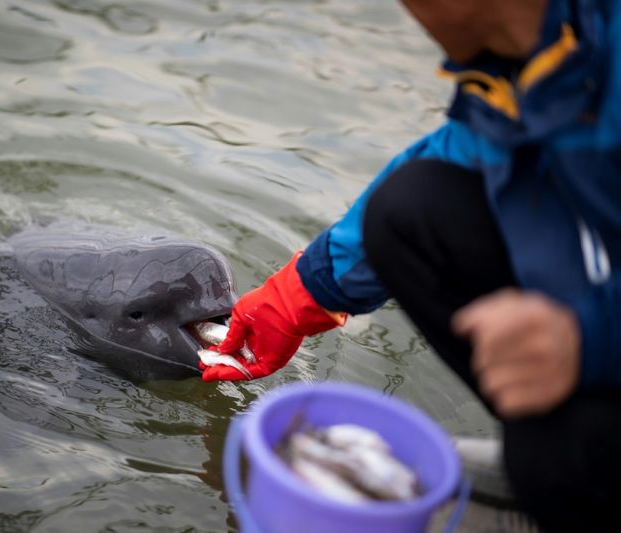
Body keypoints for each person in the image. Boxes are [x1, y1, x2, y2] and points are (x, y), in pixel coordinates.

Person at [202, 0, 621, 530]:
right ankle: (573, 464)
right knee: (412, 209)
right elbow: (462, 154)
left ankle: (585, 475)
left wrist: (588, 339)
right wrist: (303, 292)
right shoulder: (533, 55)